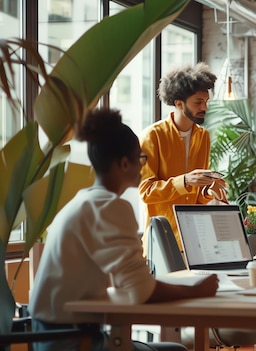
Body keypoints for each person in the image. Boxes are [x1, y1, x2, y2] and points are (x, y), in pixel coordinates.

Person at [30, 107, 220, 351]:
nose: (143, 167)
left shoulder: (83, 201)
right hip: (72, 341)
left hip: (54, 334)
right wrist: (197, 290)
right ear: (123, 163)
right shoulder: (109, 207)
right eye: (140, 159)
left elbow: (129, 283)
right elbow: (140, 290)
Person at [139, 62, 228, 250]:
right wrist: (185, 181)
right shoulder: (152, 136)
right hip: (162, 242)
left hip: (195, 240)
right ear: (179, 103)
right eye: (198, 102)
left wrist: (208, 191)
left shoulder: (203, 136)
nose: (204, 106)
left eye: (206, 101)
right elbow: (145, 191)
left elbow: (197, 197)